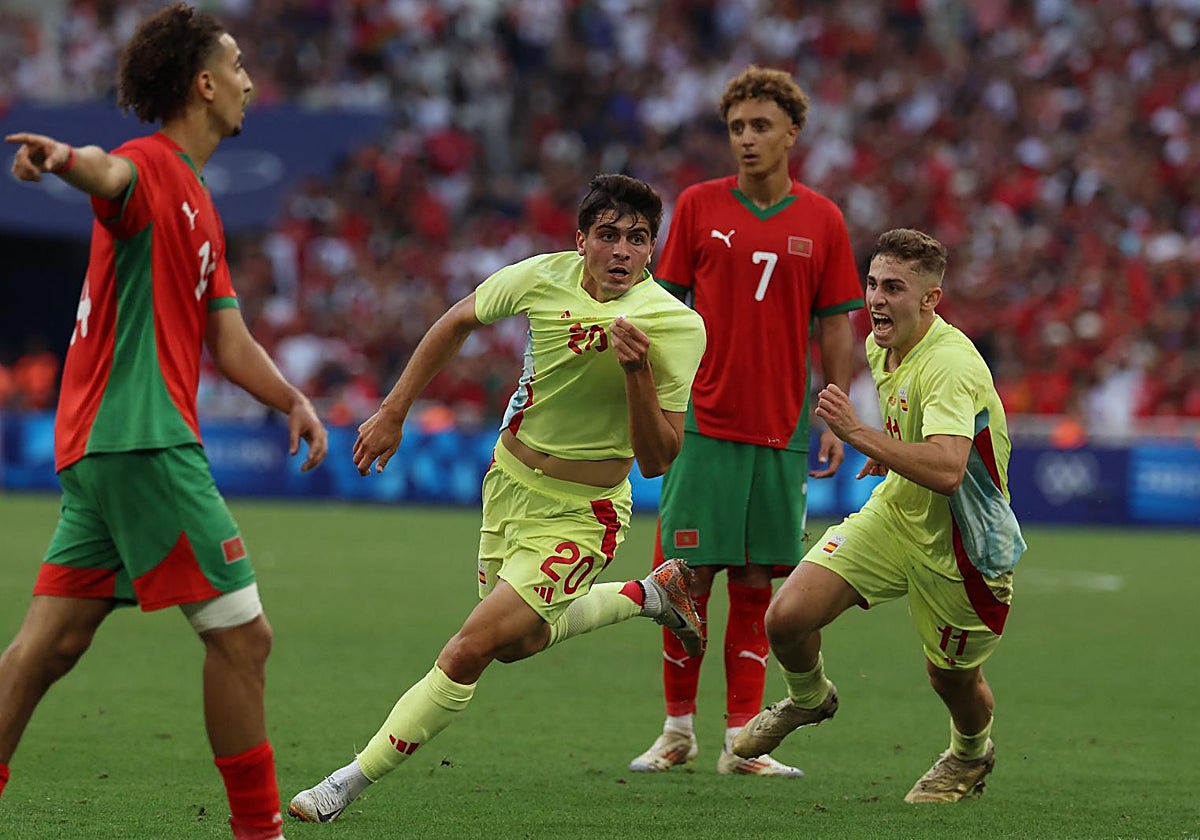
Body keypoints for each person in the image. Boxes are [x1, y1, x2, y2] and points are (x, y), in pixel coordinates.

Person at [0, 5, 328, 838]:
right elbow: (108, 176)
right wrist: (63, 158)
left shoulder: (201, 200)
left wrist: (289, 398)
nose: (252, 79)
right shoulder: (150, 166)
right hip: (144, 442)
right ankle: (260, 833)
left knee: (45, 652)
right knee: (244, 640)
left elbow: (227, 335)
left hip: (100, 450)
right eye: (239, 64)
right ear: (205, 83)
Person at [288, 173, 708, 823]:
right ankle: (649, 594)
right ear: (582, 241)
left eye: (638, 238)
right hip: (507, 488)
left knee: (469, 647)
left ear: (652, 248)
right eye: (608, 236)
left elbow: (657, 460)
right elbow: (457, 320)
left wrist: (635, 372)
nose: (622, 250)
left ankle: (348, 781)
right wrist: (396, 409)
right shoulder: (543, 277)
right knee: (518, 643)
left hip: (584, 512)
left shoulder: (674, 326)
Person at [732, 228, 1027, 803]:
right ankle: (810, 697)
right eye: (871, 284)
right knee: (786, 617)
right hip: (896, 515)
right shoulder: (881, 344)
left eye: (893, 287)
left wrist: (861, 436)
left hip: (962, 547)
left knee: (949, 677)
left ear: (929, 300)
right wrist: (891, 447)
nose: (875, 299)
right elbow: (920, 439)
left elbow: (946, 469)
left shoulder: (950, 364)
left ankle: (969, 756)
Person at [629, 65, 863, 778]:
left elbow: (835, 327)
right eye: (736, 127)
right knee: (686, 577)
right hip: (703, 421)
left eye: (761, 125)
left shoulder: (822, 219)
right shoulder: (698, 207)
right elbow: (660, 308)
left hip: (781, 429)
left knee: (761, 582)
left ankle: (741, 740)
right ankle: (676, 731)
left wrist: (834, 410)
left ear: (793, 132)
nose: (747, 139)